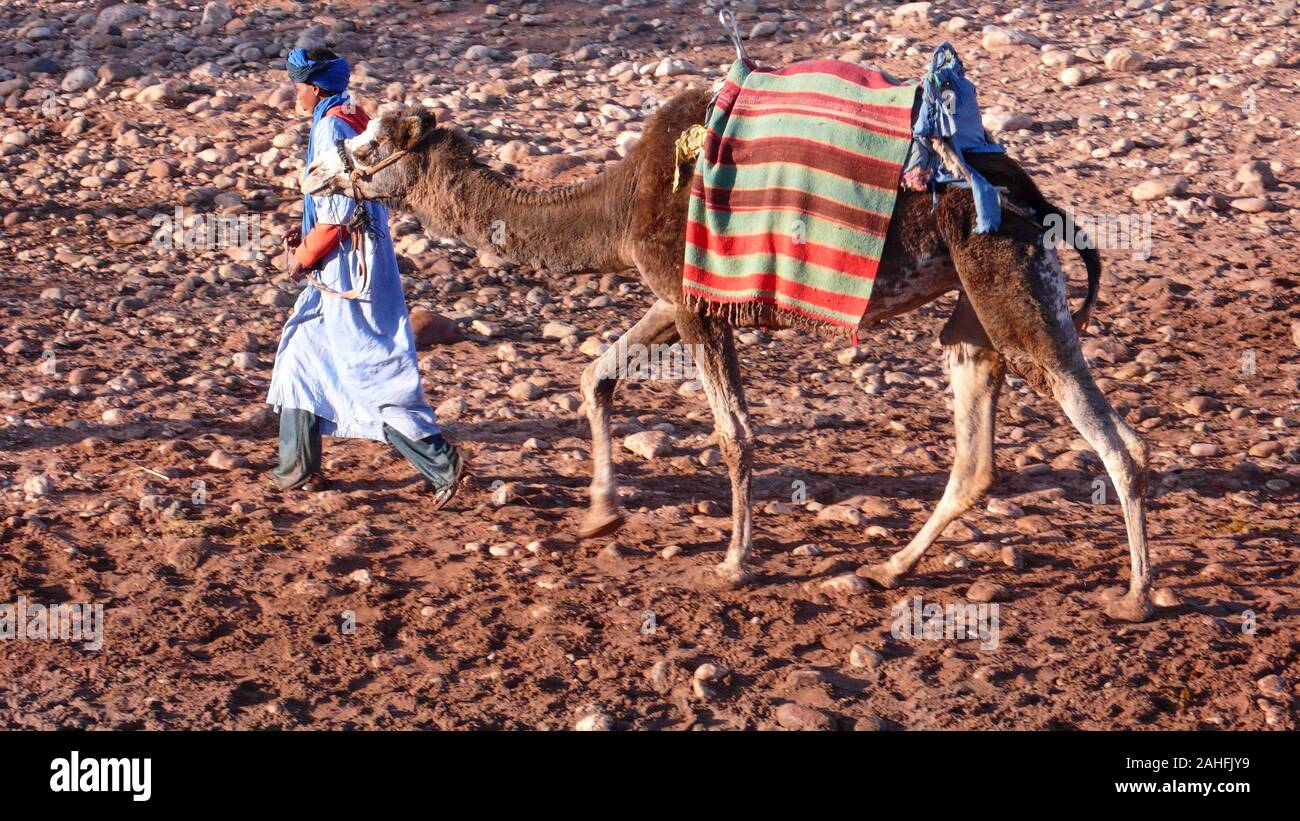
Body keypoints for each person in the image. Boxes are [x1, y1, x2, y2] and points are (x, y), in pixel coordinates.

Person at [265, 47, 467, 508]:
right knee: (301, 354)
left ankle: (443, 465)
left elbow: (340, 208)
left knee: (371, 366)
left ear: (313, 88)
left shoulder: (333, 125)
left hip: (349, 263)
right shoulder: (350, 114)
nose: (294, 95)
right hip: (349, 255)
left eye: (298, 87)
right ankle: (298, 470)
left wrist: (303, 255)